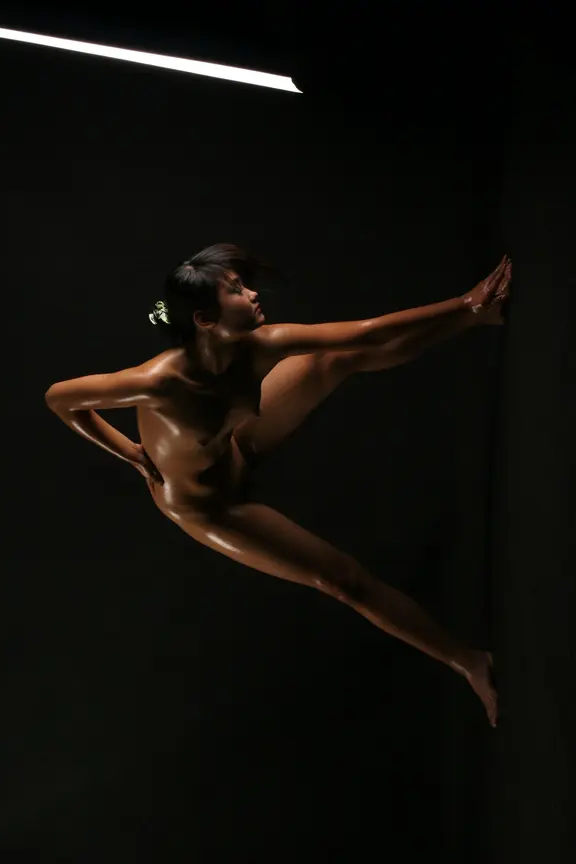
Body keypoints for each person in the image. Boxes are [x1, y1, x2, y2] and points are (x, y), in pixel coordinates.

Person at [45, 244, 512, 727]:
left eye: (243, 285)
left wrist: (467, 310)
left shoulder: (261, 343)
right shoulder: (158, 382)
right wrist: (130, 454)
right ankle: (470, 662)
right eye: (235, 290)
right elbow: (60, 398)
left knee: (331, 359)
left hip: (235, 446)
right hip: (210, 506)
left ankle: (480, 320)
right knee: (342, 580)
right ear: (205, 320)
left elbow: (366, 333)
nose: (252, 294)